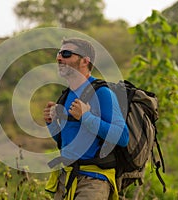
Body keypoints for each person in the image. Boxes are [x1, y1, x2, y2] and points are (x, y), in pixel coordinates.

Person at [43, 38, 129, 200]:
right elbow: (66, 141)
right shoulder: (67, 95)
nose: (59, 58)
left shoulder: (102, 93)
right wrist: (51, 123)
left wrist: (86, 117)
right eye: (59, 53)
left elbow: (122, 137)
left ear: (85, 61)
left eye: (67, 54)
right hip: (67, 178)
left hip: (93, 181)